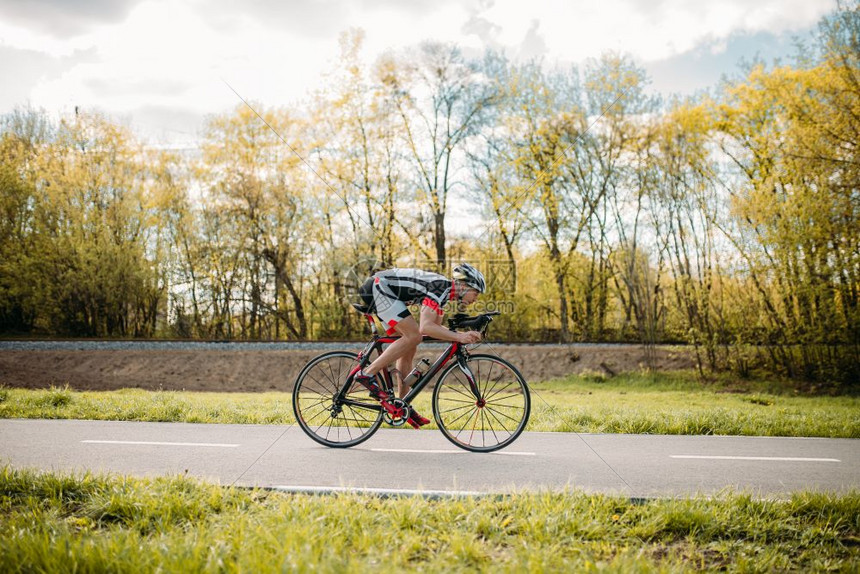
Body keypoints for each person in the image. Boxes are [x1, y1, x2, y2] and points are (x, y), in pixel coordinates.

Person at [353, 263, 486, 428]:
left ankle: (402, 405)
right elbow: (425, 328)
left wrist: (462, 334)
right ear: (465, 286)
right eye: (476, 292)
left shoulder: (443, 294)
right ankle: (367, 374)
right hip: (379, 287)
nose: (476, 299)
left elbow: (433, 329)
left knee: (409, 344)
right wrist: (459, 336)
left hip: (381, 289)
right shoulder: (441, 287)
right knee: (413, 336)